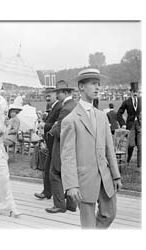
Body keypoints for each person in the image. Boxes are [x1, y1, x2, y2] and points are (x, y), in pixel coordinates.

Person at [61, 69, 122, 229]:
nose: (97, 88)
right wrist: (71, 185)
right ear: (81, 87)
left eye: (98, 84)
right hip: (84, 180)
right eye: (93, 84)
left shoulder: (102, 116)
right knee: (87, 225)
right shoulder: (71, 120)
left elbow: (110, 148)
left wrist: (116, 176)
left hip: (105, 176)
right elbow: (67, 156)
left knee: (109, 214)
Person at [46, 80, 78, 214]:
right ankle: (71, 204)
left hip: (61, 145)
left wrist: (51, 130)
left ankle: (59, 205)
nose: (57, 95)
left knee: (54, 173)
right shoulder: (75, 105)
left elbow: (60, 130)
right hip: (73, 145)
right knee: (69, 172)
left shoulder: (65, 108)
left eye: (58, 93)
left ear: (65, 93)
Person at [34, 87, 60, 200]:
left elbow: (57, 125)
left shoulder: (59, 107)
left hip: (54, 142)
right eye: (46, 96)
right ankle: (47, 192)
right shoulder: (52, 107)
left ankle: (50, 192)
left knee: (51, 168)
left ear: (57, 95)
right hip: (49, 142)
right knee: (48, 168)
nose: (47, 98)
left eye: (49, 96)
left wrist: (44, 125)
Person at [117, 82, 141, 168]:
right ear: (131, 92)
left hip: (140, 125)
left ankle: (140, 165)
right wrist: (123, 124)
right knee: (131, 145)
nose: (135, 93)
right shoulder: (126, 102)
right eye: (133, 91)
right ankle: (128, 160)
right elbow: (119, 114)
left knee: (140, 145)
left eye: (136, 91)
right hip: (130, 125)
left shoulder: (142, 100)